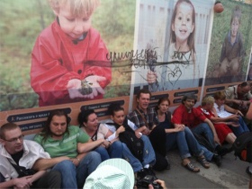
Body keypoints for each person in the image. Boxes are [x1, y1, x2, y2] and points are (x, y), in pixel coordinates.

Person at [30, 0, 111, 106]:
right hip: (57, 109)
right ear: (56, 10)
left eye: (85, 19)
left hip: (90, 106)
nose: (79, 28)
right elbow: (42, 79)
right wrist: (67, 83)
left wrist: (92, 77)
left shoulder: (95, 37)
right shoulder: (46, 40)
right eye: (71, 19)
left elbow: (103, 66)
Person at [33, 109, 102, 189]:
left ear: (67, 124)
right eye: (55, 124)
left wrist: (78, 159)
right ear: (49, 124)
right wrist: (63, 159)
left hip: (77, 168)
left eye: (63, 124)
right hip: (58, 174)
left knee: (94, 155)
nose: (59, 128)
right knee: (66, 164)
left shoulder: (74, 130)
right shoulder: (40, 138)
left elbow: (90, 145)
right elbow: (36, 165)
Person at [147, 0, 197, 91]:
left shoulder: (195, 59)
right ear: (173, 25)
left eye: (188, 19)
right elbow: (157, 90)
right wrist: (152, 81)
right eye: (180, 18)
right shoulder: (164, 55)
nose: (184, 23)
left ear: (192, 27)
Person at [156, 97, 209, 172]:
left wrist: (179, 126)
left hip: (170, 140)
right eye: (162, 105)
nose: (165, 107)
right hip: (161, 143)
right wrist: (175, 129)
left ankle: (193, 157)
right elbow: (156, 131)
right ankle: (194, 156)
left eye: (167, 105)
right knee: (181, 130)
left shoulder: (168, 114)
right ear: (158, 105)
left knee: (184, 129)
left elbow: (175, 124)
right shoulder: (154, 115)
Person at [0, 123, 61, 188]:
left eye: (20, 137)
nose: (19, 142)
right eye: (13, 139)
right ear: (2, 142)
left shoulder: (33, 146)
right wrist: (14, 182)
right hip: (14, 186)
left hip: (35, 181)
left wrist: (30, 180)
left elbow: (47, 168)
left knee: (54, 175)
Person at [105, 103, 157, 178]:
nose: (121, 119)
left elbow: (135, 131)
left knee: (145, 138)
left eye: (123, 116)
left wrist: (140, 131)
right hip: (120, 147)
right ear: (112, 117)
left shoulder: (127, 122)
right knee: (121, 145)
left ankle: (147, 166)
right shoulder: (108, 126)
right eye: (118, 117)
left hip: (131, 142)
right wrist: (117, 133)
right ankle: (138, 169)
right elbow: (107, 141)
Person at [172, 94, 222, 167]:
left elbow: (208, 121)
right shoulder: (179, 110)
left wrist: (215, 135)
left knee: (205, 125)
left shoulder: (194, 110)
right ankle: (212, 156)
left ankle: (216, 148)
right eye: (189, 101)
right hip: (181, 135)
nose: (191, 103)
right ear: (184, 102)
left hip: (191, 131)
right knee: (189, 134)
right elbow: (177, 127)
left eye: (193, 102)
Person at [128, 89, 170, 171]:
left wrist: (150, 130)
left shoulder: (151, 111)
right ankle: (152, 160)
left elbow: (156, 126)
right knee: (163, 165)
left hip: (154, 141)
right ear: (137, 100)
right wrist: (142, 129)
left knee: (160, 130)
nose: (146, 101)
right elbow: (132, 135)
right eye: (143, 99)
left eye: (148, 99)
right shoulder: (131, 116)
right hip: (143, 144)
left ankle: (162, 155)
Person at [218, 6, 244, 81]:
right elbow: (223, 48)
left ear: (239, 26)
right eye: (233, 24)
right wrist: (221, 60)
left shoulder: (240, 37)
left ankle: (233, 76)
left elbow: (242, 49)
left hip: (235, 58)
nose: (234, 27)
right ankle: (222, 77)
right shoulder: (227, 36)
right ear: (230, 25)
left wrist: (239, 59)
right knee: (222, 68)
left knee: (235, 67)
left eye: (236, 25)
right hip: (227, 57)